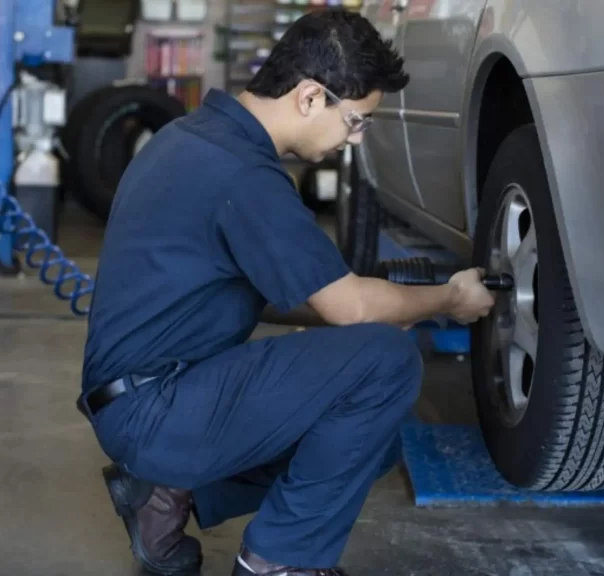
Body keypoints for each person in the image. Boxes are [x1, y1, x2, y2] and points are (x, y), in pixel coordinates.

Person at [77, 8, 496, 576]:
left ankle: (163, 496)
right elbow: (349, 305)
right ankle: (278, 562)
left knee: (368, 442)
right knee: (386, 365)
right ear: (308, 97)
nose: (354, 140)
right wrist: (447, 298)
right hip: (155, 407)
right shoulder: (244, 176)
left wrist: (368, 315)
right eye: (356, 120)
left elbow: (305, 297)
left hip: (141, 398)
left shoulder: (196, 137)